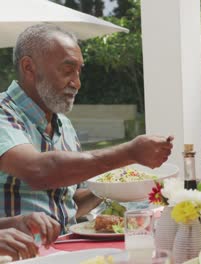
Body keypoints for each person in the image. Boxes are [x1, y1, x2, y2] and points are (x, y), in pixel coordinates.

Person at [0, 24, 173, 233]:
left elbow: (70, 203)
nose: (77, 83)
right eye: (67, 70)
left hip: (66, 250)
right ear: (29, 67)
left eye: (79, 71)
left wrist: (119, 184)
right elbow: (40, 171)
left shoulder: (64, 125)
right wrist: (129, 152)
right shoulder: (4, 113)